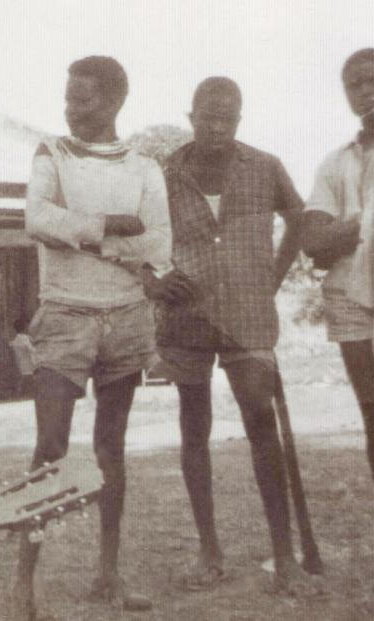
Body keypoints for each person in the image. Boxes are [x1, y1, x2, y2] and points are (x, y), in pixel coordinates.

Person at [11, 55, 175, 618]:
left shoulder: (145, 167)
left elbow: (155, 249)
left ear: (114, 103)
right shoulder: (50, 154)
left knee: (112, 450)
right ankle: (22, 585)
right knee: (50, 447)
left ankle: (108, 573)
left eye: (83, 99)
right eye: (68, 98)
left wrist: (84, 235)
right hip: (63, 316)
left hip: (127, 317)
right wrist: (108, 226)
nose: (70, 108)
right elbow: (36, 219)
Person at [152, 76, 313, 594]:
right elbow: (137, 236)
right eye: (207, 116)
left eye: (227, 117)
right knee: (192, 429)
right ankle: (209, 553)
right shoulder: (164, 172)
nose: (216, 125)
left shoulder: (265, 167)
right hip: (187, 318)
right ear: (190, 115)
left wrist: (274, 275)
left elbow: (300, 218)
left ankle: (285, 558)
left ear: (239, 120)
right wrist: (153, 278)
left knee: (261, 425)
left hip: (249, 317)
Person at [302, 48, 374, 482]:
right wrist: (362, 224)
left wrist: (343, 233)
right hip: (350, 298)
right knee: (372, 414)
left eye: (373, 80)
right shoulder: (336, 162)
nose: (366, 91)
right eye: (355, 84)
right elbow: (313, 242)